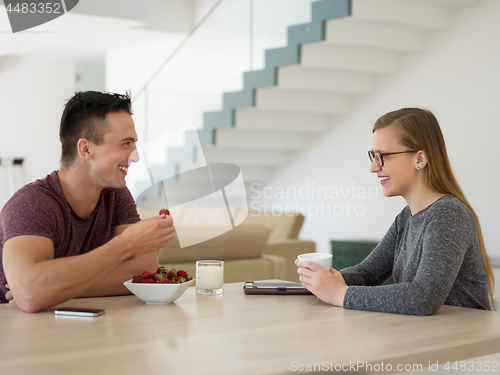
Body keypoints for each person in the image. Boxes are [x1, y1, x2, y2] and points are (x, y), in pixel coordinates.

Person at [296, 107, 494, 316]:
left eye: (381, 156)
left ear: (419, 159)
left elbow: (422, 298)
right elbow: (367, 274)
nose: (373, 167)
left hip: (466, 342)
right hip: (427, 335)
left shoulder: (449, 214)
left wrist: (339, 293)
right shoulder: (406, 218)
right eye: (373, 156)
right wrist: (326, 281)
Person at [0, 91, 174, 313]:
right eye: (125, 144)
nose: (135, 156)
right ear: (86, 149)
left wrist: (54, 289)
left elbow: (144, 270)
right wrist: (125, 244)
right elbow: (29, 296)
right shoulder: (31, 205)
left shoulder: (115, 195)